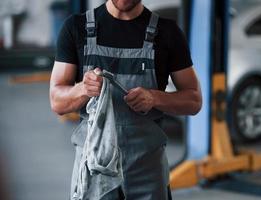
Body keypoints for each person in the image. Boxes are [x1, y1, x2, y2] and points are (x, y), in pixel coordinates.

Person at [49, 0, 202, 199]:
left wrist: (155, 97)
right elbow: (57, 101)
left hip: (147, 171)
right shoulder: (76, 28)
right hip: (95, 169)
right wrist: (82, 89)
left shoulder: (167, 33)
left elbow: (194, 100)